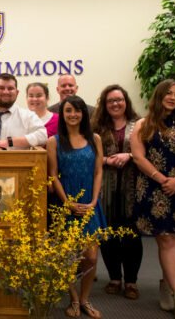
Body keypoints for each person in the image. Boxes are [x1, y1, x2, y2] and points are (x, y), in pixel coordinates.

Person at [131, 79, 175, 319]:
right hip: (155, 189)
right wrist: (163, 179)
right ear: (159, 95)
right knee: (168, 241)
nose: (173, 98)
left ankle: (167, 287)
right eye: (169, 93)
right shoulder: (143, 124)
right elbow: (138, 157)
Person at [47, 96, 106, 319]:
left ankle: (85, 299)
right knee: (68, 257)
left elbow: (99, 171)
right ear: (62, 114)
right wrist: (68, 203)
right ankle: (73, 299)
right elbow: (53, 175)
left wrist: (93, 200)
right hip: (67, 203)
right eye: (69, 110)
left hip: (90, 204)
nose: (74, 115)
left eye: (78, 110)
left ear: (84, 113)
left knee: (90, 257)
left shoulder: (95, 139)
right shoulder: (54, 141)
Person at [91, 85, 143, 300]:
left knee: (132, 236)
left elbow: (147, 151)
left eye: (119, 99)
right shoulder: (96, 127)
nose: (115, 104)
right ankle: (114, 278)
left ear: (126, 101)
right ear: (104, 104)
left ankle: (131, 281)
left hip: (134, 187)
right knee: (108, 235)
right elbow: (88, 154)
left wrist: (129, 155)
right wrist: (106, 160)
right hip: (106, 188)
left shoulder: (139, 124)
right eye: (110, 100)